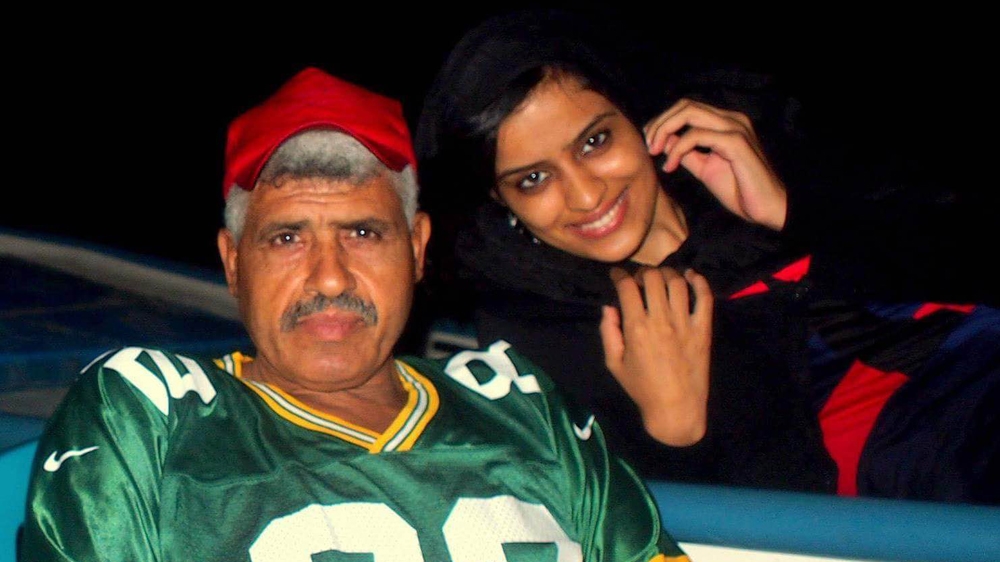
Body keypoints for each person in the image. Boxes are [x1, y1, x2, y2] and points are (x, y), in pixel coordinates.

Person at [20, 66, 690, 561]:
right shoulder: (149, 413)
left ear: (417, 249)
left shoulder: (520, 403)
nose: (330, 276)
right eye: (287, 238)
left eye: (364, 233)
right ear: (233, 262)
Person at [414, 8, 999, 503]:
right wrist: (674, 434)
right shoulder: (540, 335)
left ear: (635, 114)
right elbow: (722, 530)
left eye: (595, 141)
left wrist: (792, 213)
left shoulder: (759, 151)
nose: (586, 196)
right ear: (501, 200)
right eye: (534, 179)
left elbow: (964, 254)